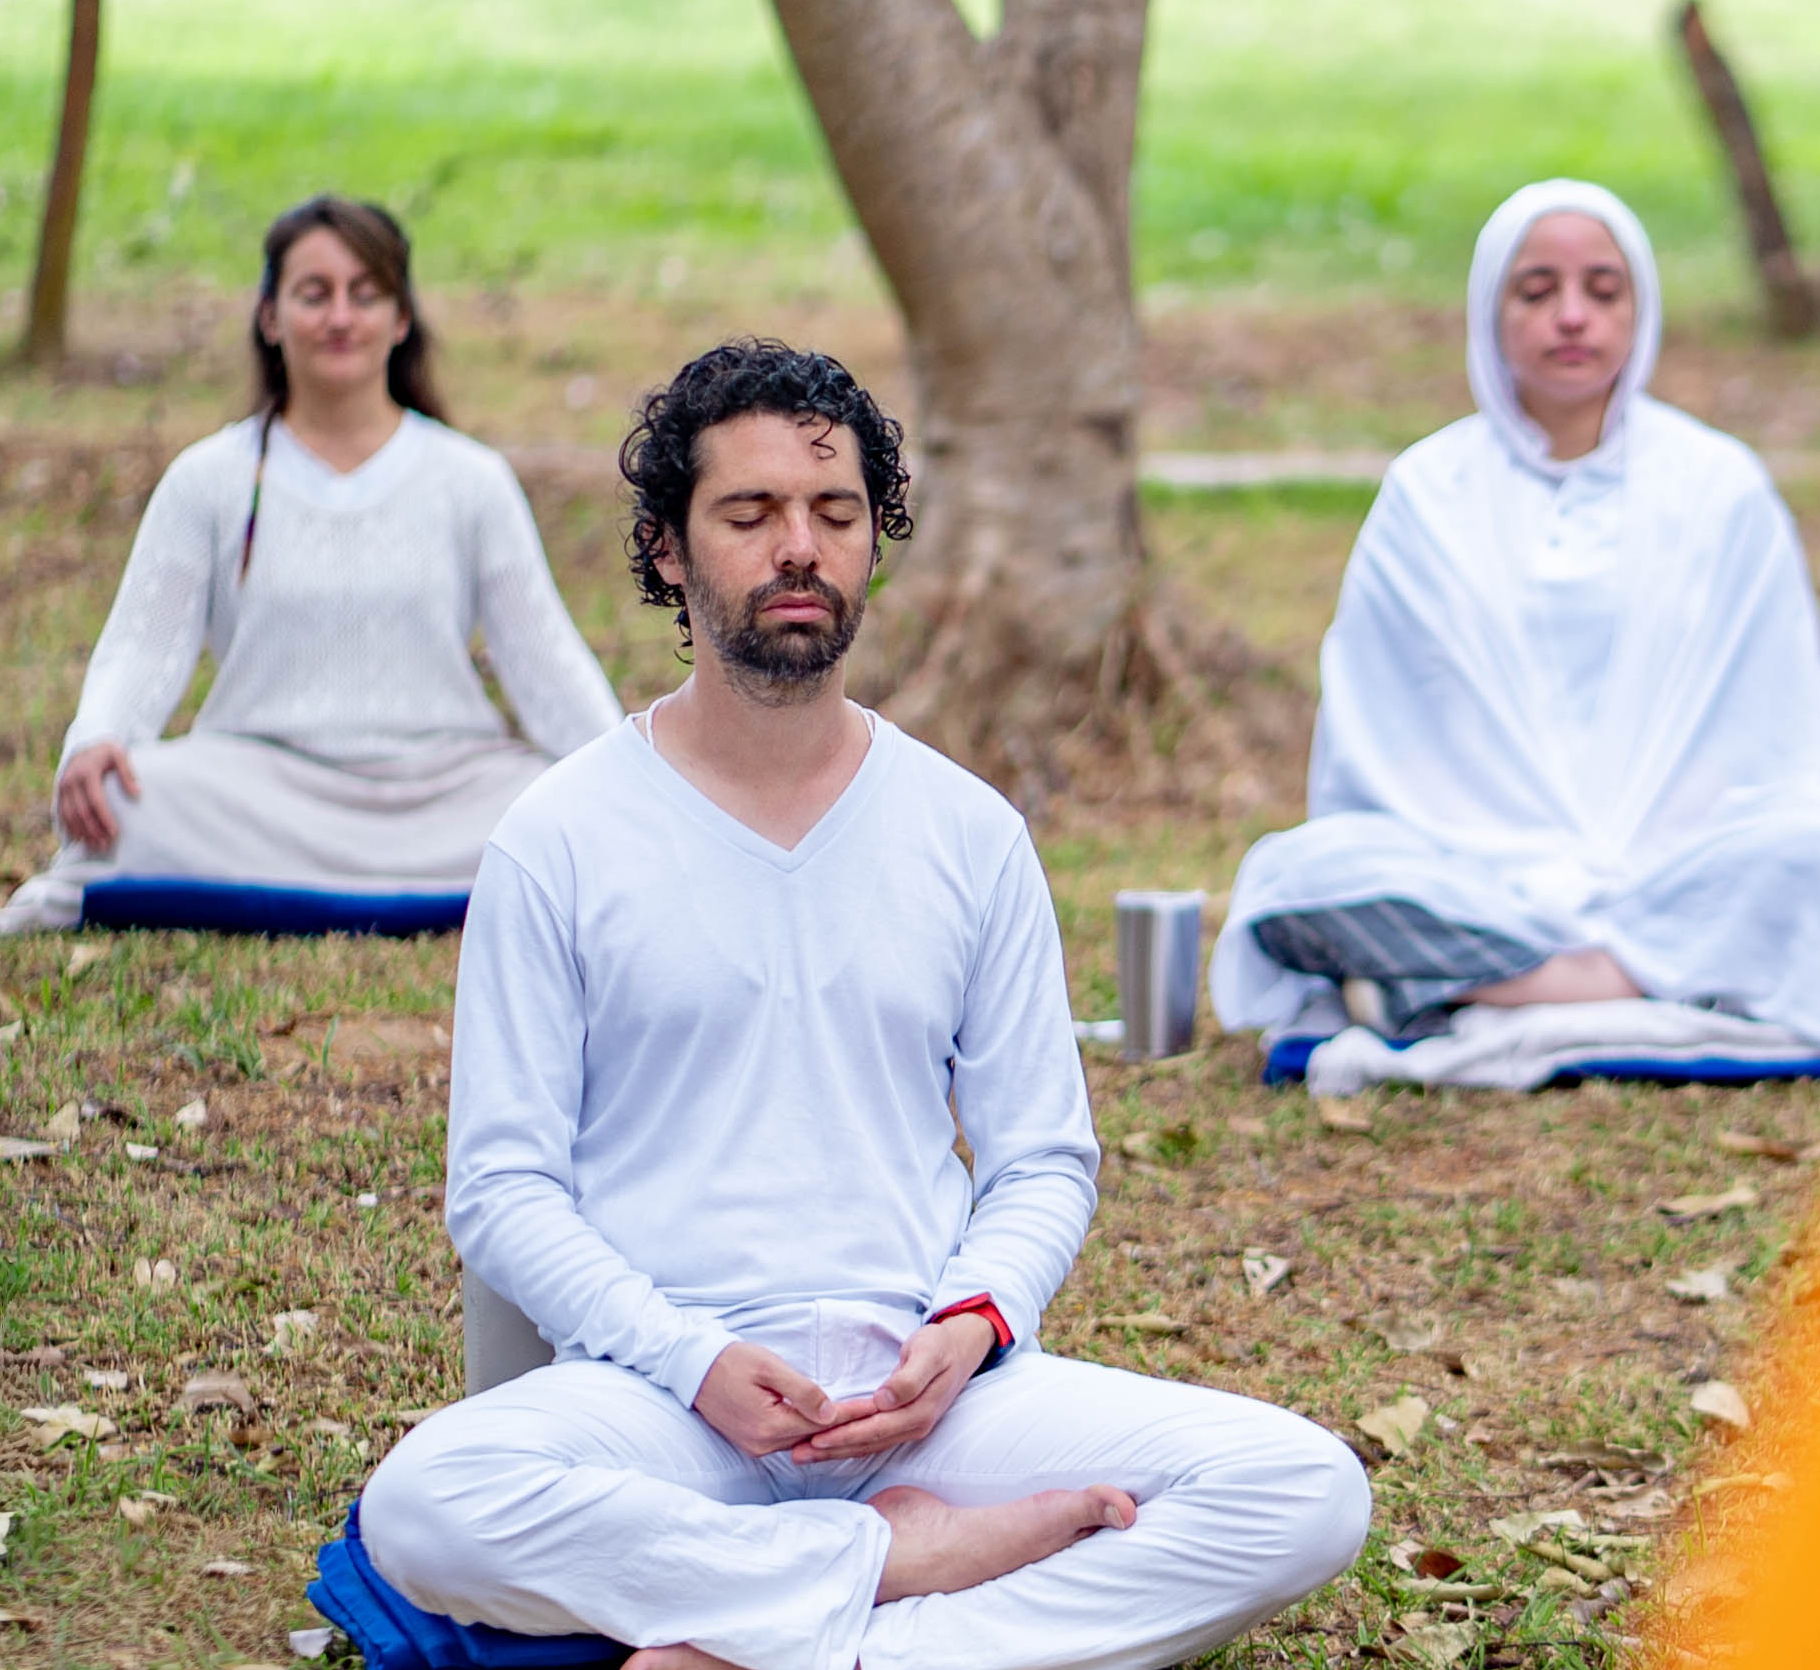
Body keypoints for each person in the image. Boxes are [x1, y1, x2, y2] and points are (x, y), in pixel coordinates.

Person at [357, 340, 1369, 1670]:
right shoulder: (561, 837)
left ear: (873, 543)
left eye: (834, 514)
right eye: (750, 513)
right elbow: (502, 1188)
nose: (799, 546)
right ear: (669, 549)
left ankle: (791, 1644)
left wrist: (972, 1321)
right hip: (666, 1406)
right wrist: (693, 1358)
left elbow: (1040, 1158)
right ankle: (897, 1568)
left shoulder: (967, 830)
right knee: (426, 1506)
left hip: (931, 1406)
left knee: (1304, 1490)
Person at [1212, 179, 1820, 1045]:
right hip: (1476, 874)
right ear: (1489, 310)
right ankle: (1661, 977)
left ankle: (1508, 985)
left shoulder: (1721, 486)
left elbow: (1779, 732)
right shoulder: (1427, 493)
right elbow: (1382, 732)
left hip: (1687, 866)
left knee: (1806, 849)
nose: (1572, 316)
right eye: (1538, 292)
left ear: (1639, 310)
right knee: (1299, 877)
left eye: (1602, 291)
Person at [0, 194, 619, 934]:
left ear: (400, 319)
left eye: (366, 294)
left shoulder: (470, 479)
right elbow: (142, 646)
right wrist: (96, 739)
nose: (339, 318)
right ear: (270, 316)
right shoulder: (208, 478)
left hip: (443, 789)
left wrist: (618, 781)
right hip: (260, 788)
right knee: (134, 801)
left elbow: (544, 656)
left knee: (550, 803)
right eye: (314, 294)